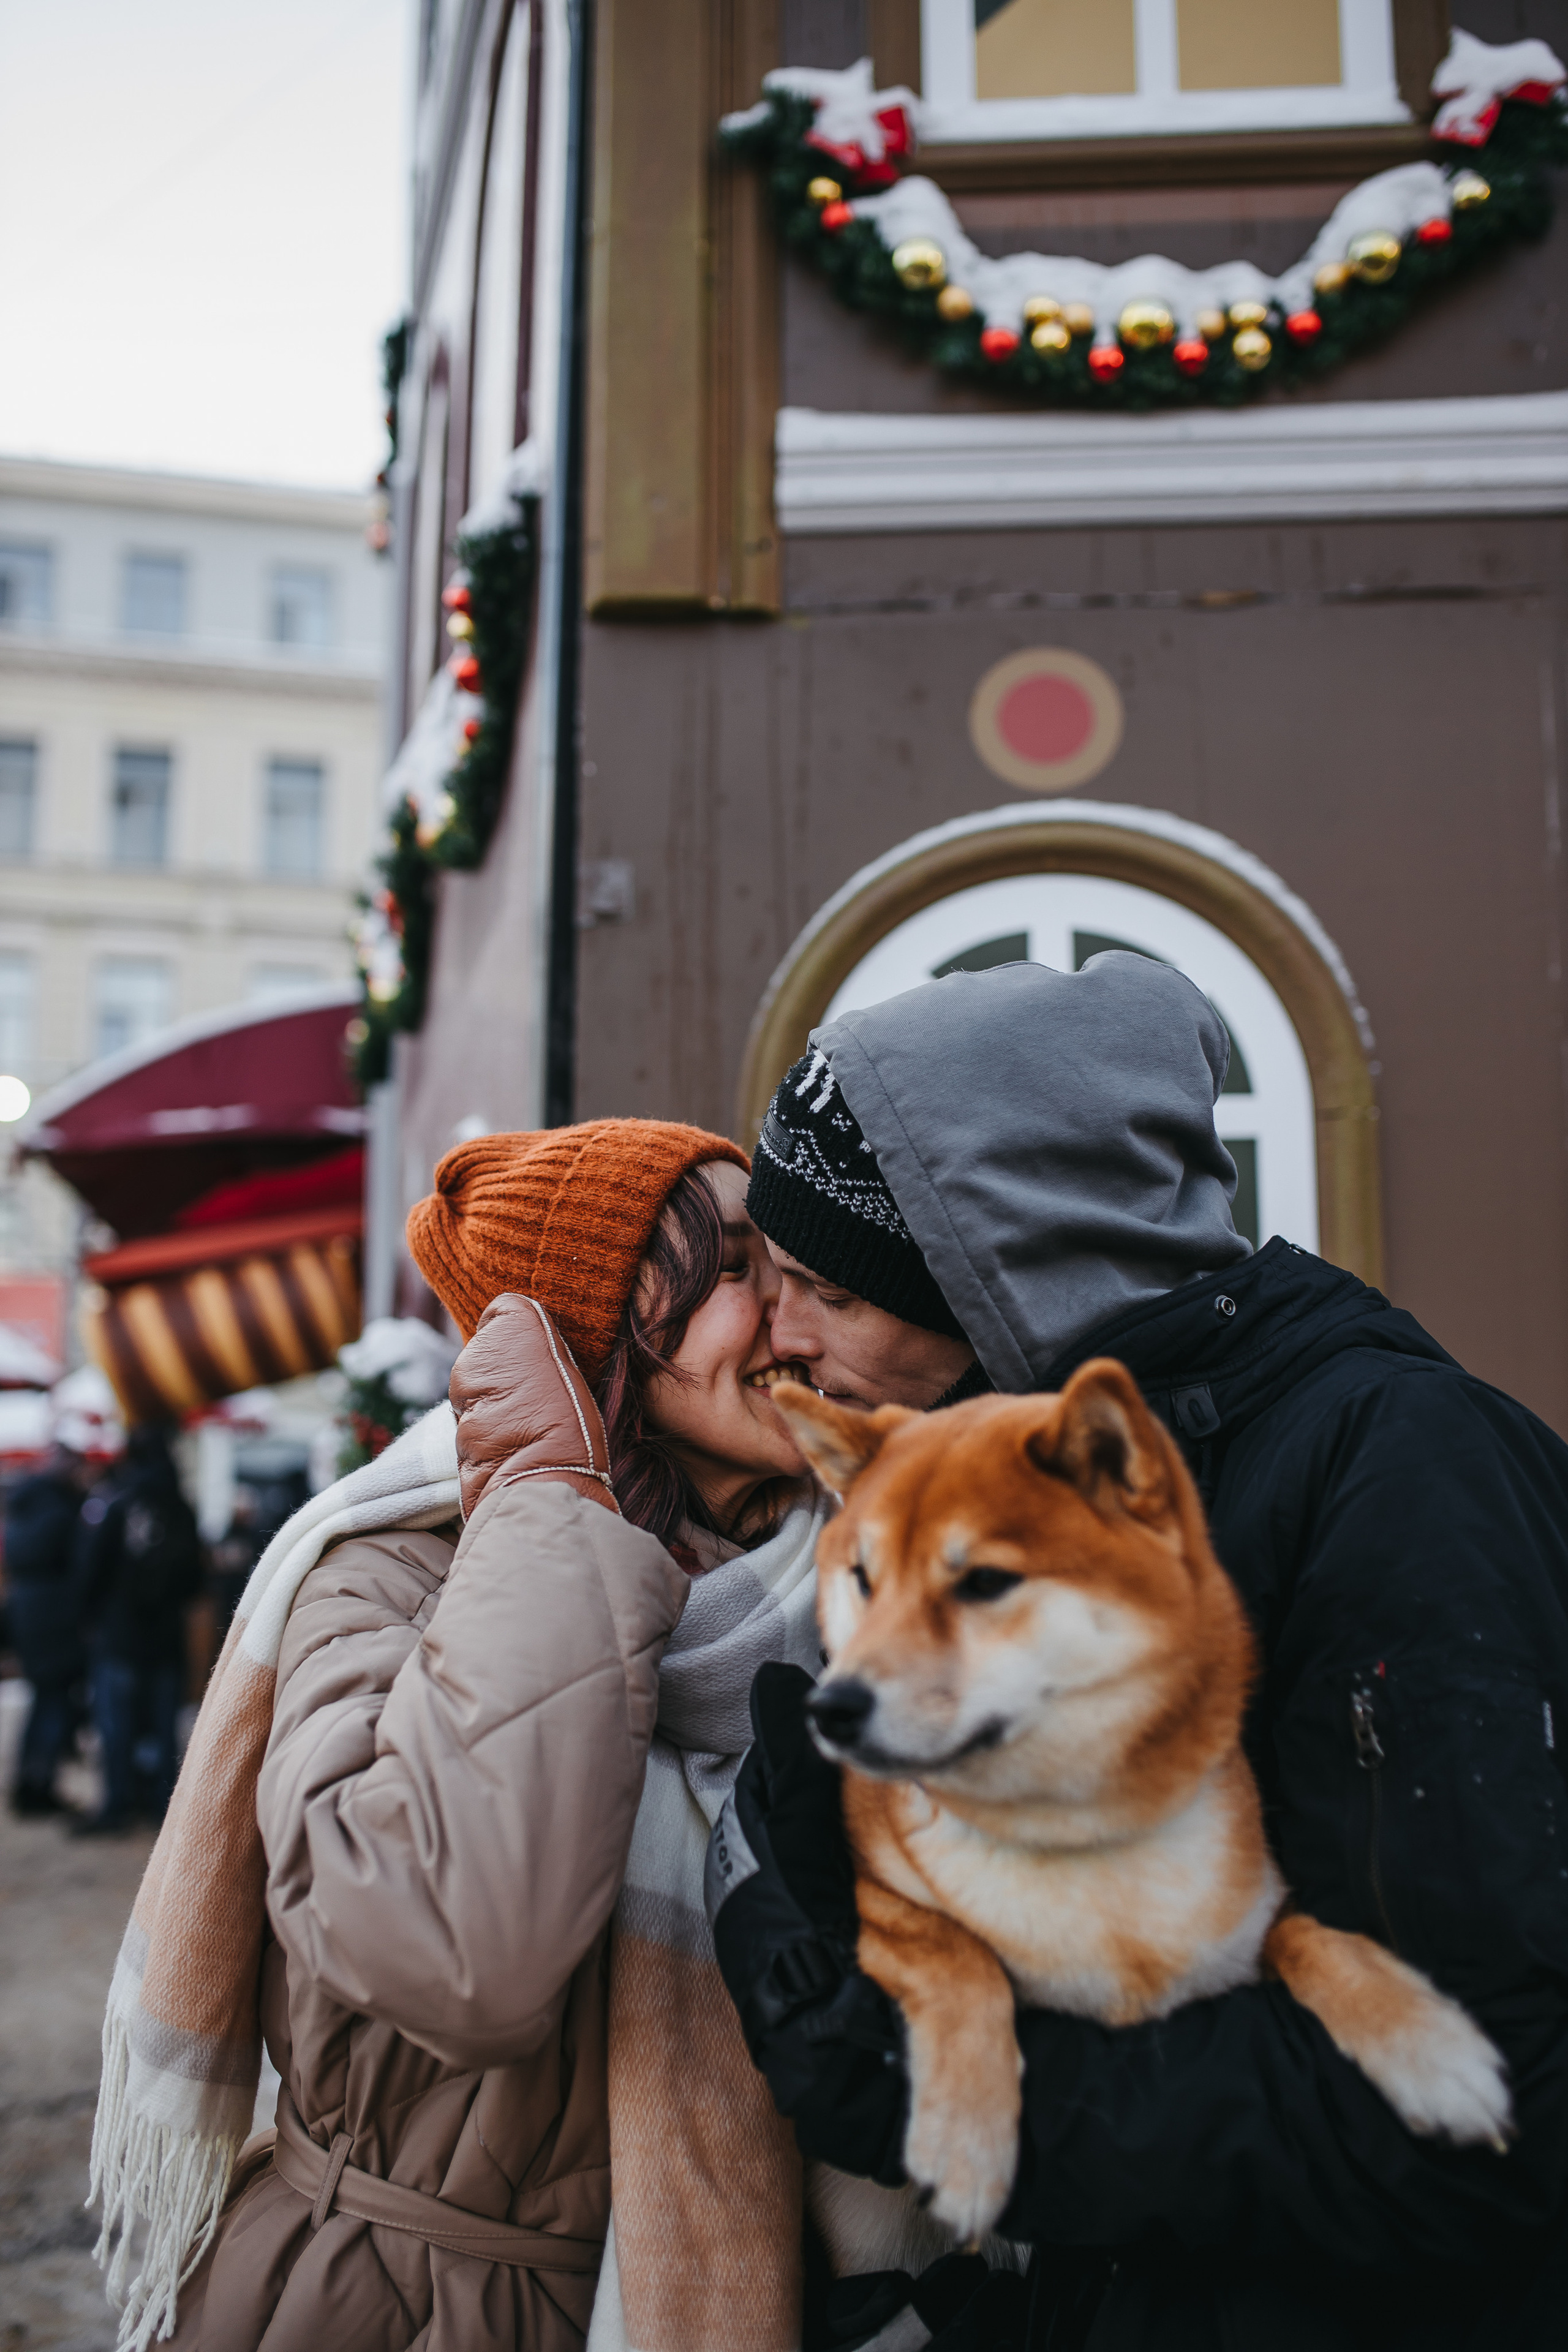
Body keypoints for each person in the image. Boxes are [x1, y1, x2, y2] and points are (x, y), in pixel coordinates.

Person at [710, 956, 1568, 2352]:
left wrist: (928, 2079)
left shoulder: (1401, 1473)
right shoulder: (1033, 1493)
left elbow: (1479, 2106)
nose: (781, 1337)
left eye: (828, 1291)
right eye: (767, 1276)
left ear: (997, 1273)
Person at [88, 1118, 827, 2352]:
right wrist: (549, 1498)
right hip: (387, 2308)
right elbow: (451, 1951)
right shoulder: (386, 1582)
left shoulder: (843, 1590)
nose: (794, 1318)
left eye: (794, 1269)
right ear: (596, 1324)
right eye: (738, 1268)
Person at [72, 1420, 203, 1834]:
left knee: (117, 1728)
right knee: (163, 1730)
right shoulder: (181, 1508)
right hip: (165, 1639)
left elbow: (90, 1571)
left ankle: (118, 1804)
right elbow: (196, 1581)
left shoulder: (116, 1502)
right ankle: (162, 1807)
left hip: (119, 1637)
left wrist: (91, 1618)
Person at [5, 1439, 90, 1816]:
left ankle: (29, 1785)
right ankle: (39, 1787)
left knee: (42, 1701)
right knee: (53, 1704)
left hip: (28, 1614)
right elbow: (80, 1567)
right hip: (55, 1619)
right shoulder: (60, 1511)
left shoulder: (23, 1506)